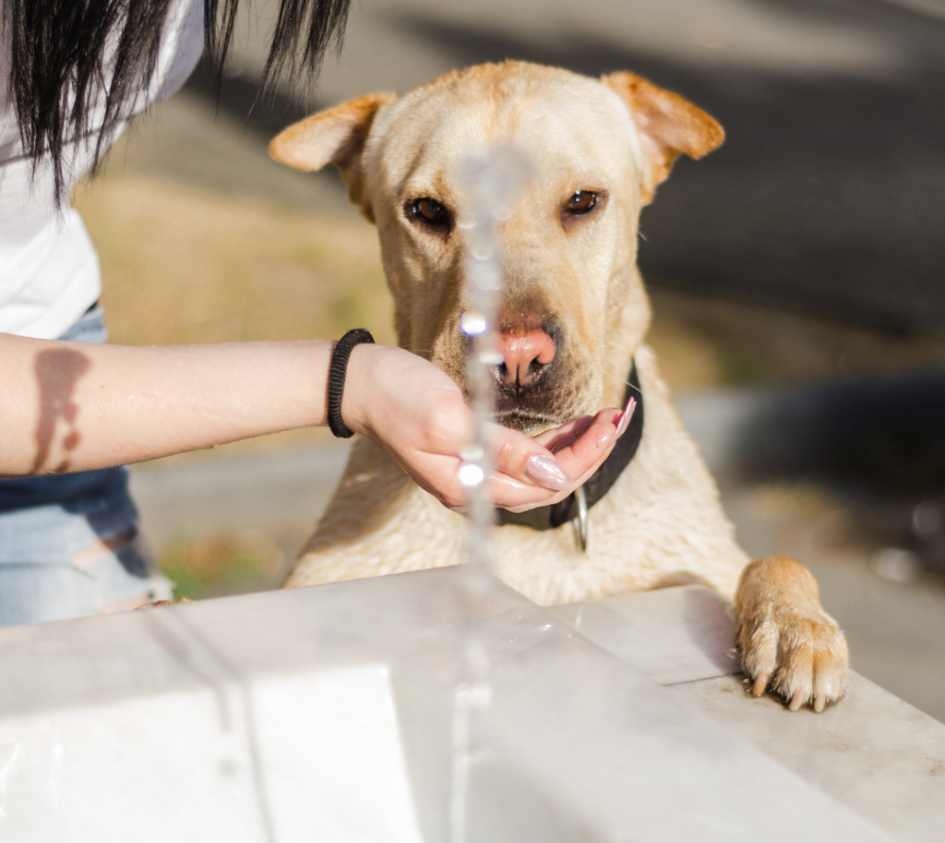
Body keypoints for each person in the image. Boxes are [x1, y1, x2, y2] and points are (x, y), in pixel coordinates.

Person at [0, 0, 626, 627]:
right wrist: (348, 383)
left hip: (51, 337)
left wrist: (359, 382)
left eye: (581, 203)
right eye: (432, 213)